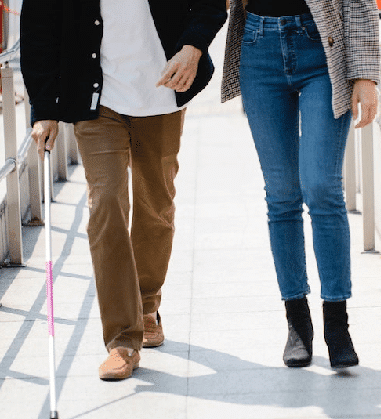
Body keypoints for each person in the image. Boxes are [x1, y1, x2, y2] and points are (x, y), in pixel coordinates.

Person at [20, 0, 227, 380]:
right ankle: (121, 338)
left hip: (161, 93)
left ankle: (147, 304)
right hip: (95, 99)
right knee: (107, 203)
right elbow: (38, 29)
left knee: (155, 205)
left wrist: (192, 47)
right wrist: (43, 107)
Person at [222, 0, 379, 368]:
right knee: (281, 194)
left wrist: (365, 75)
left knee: (322, 187)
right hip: (258, 47)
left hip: (321, 48)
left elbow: (358, 4)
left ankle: (337, 324)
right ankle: (297, 322)